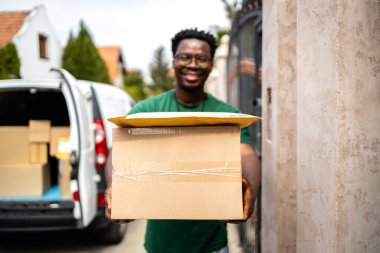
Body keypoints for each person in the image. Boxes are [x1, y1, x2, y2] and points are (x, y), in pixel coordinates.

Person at [105, 28, 261, 253]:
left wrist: (252, 188)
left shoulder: (226, 114)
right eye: (185, 57)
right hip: (160, 245)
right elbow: (118, 155)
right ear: (174, 61)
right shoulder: (147, 111)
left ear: (211, 64)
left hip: (213, 245)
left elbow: (246, 152)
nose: (193, 64)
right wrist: (115, 187)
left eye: (202, 58)